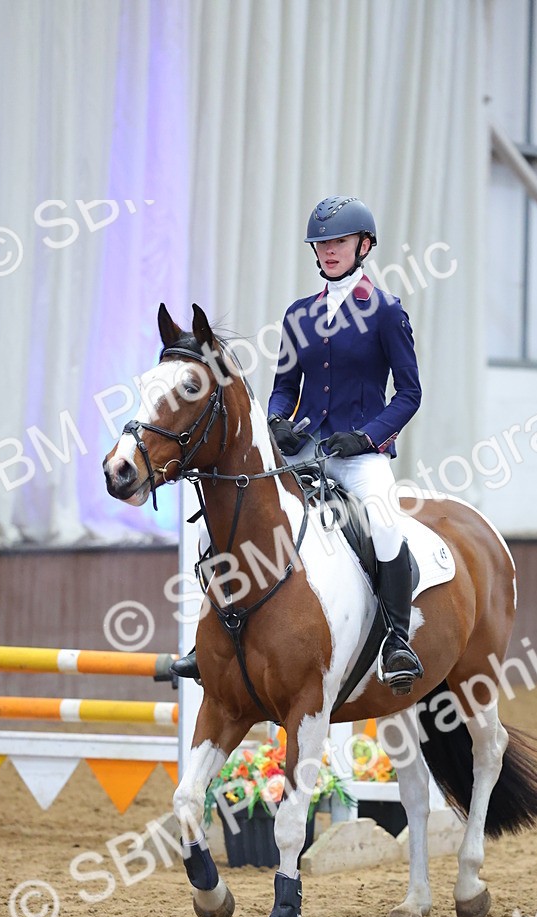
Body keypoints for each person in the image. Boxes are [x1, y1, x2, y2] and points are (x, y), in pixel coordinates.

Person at [172, 194, 424, 693]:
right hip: (304, 450)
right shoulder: (299, 315)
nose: (330, 250)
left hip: (358, 455)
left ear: (364, 245)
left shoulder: (385, 312)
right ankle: (213, 639)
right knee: (229, 523)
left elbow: (410, 392)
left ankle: (397, 640)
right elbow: (286, 385)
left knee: (384, 522)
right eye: (322, 243)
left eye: (340, 242)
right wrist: (275, 421)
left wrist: (369, 436)